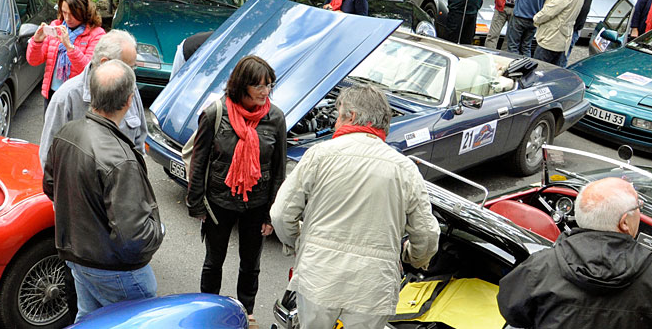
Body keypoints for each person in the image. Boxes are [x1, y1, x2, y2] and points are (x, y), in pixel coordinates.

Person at [271, 84, 439, 329]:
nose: (335, 124)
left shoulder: (319, 155)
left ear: (351, 116)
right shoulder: (405, 169)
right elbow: (427, 235)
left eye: (338, 116)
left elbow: (281, 214)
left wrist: (300, 242)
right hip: (373, 286)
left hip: (319, 276)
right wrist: (413, 257)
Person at [43, 59, 164, 321]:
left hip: (78, 256)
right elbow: (134, 236)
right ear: (129, 100)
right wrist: (159, 230)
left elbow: (50, 186)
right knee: (136, 322)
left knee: (88, 318)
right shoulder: (120, 161)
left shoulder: (67, 132)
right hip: (114, 268)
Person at [497, 177, 652, 327]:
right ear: (624, 222)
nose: (640, 212)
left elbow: (511, 312)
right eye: (638, 206)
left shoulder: (539, 267)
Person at [185, 55, 286, 327]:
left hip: (257, 202)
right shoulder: (215, 114)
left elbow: (278, 170)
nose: (265, 92)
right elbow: (199, 162)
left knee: (251, 263)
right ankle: (208, 309)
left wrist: (271, 214)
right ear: (242, 86)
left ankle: (246, 311)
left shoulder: (275, 118)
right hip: (219, 200)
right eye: (259, 86)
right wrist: (196, 204)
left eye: (269, 85)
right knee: (213, 261)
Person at [39, 30, 144, 167]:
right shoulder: (66, 98)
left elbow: (139, 141)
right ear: (104, 63)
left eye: (133, 68)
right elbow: (48, 158)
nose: (132, 74)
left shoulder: (129, 87)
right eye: (128, 67)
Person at [27, 0, 106, 103]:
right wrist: (37, 42)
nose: (68, 18)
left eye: (73, 14)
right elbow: (34, 61)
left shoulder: (97, 34)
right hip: (52, 94)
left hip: (78, 97)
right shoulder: (55, 26)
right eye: (64, 12)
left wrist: (70, 47)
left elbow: (89, 70)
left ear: (84, 12)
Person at [532, 0, 586, 66]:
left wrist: (536, 19)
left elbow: (549, 11)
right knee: (554, 70)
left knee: (539, 70)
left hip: (551, 39)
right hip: (561, 36)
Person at [560, 0, 596, 67]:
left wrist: (574, 26)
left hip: (572, 28)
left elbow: (584, 9)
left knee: (562, 58)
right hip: (568, 27)